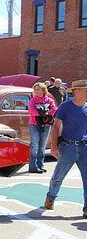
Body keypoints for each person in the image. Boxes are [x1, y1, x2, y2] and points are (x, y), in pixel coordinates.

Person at [44, 79, 87, 218]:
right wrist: (54, 146)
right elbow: (56, 126)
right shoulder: (65, 106)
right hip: (67, 147)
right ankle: (50, 198)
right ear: (76, 92)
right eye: (85, 90)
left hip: (84, 148)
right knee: (58, 176)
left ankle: (86, 208)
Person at [27, 82, 57, 173]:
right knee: (35, 145)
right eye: (35, 89)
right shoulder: (33, 100)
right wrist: (42, 113)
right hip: (34, 125)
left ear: (43, 90)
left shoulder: (49, 100)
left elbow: (55, 109)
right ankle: (33, 167)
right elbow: (32, 111)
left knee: (42, 146)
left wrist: (46, 113)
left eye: (38, 89)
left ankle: (40, 165)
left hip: (46, 125)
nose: (36, 91)